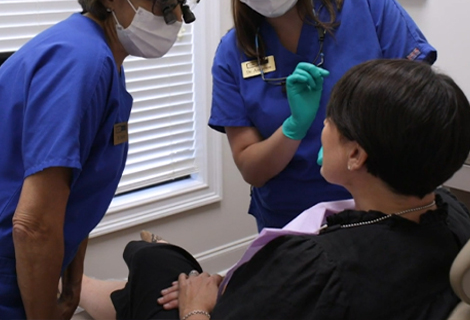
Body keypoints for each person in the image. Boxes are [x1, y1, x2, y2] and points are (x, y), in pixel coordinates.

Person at [78, 59, 470, 320]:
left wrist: (197, 308)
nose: (323, 127)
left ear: (355, 155)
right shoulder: (453, 214)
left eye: (331, 118)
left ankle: (82, 283)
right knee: (168, 269)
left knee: (154, 268)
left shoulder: (315, 265)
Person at [0, 0, 205, 320]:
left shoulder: (103, 62)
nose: (177, 19)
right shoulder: (83, 61)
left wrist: (73, 283)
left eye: (183, 2)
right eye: (164, 3)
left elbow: (75, 197)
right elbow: (33, 225)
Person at [208, 0, 438, 231]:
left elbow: (421, 105)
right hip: (291, 222)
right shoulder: (233, 52)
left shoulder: (366, 2)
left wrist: (361, 141)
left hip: (382, 209)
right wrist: (294, 128)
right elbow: (251, 169)